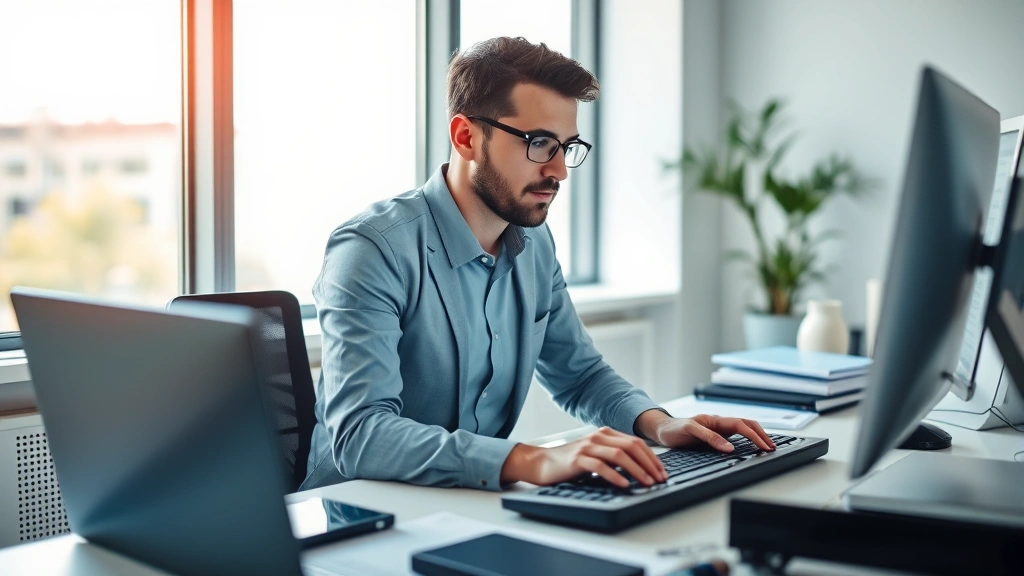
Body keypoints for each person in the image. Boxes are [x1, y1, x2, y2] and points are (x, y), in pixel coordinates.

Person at [300, 37, 774, 492]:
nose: (559, 171)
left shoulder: (533, 241)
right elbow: (360, 435)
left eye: (565, 147)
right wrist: (533, 459)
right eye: (539, 143)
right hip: (355, 519)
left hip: (465, 504)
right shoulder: (370, 250)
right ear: (466, 137)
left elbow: (580, 374)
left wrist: (662, 425)